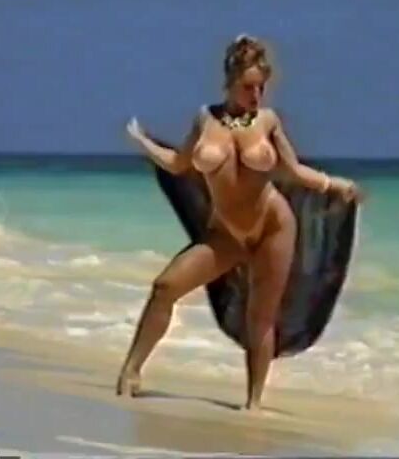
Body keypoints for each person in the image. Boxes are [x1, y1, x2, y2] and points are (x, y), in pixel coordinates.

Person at [117, 34, 362, 411]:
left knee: (260, 319)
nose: (256, 95)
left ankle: (253, 404)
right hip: (226, 233)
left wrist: (336, 186)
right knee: (165, 287)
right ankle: (131, 371)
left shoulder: (268, 121)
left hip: (273, 228)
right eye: (249, 87)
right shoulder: (205, 119)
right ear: (229, 82)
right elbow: (180, 165)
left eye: (262, 87)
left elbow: (294, 171)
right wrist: (143, 142)